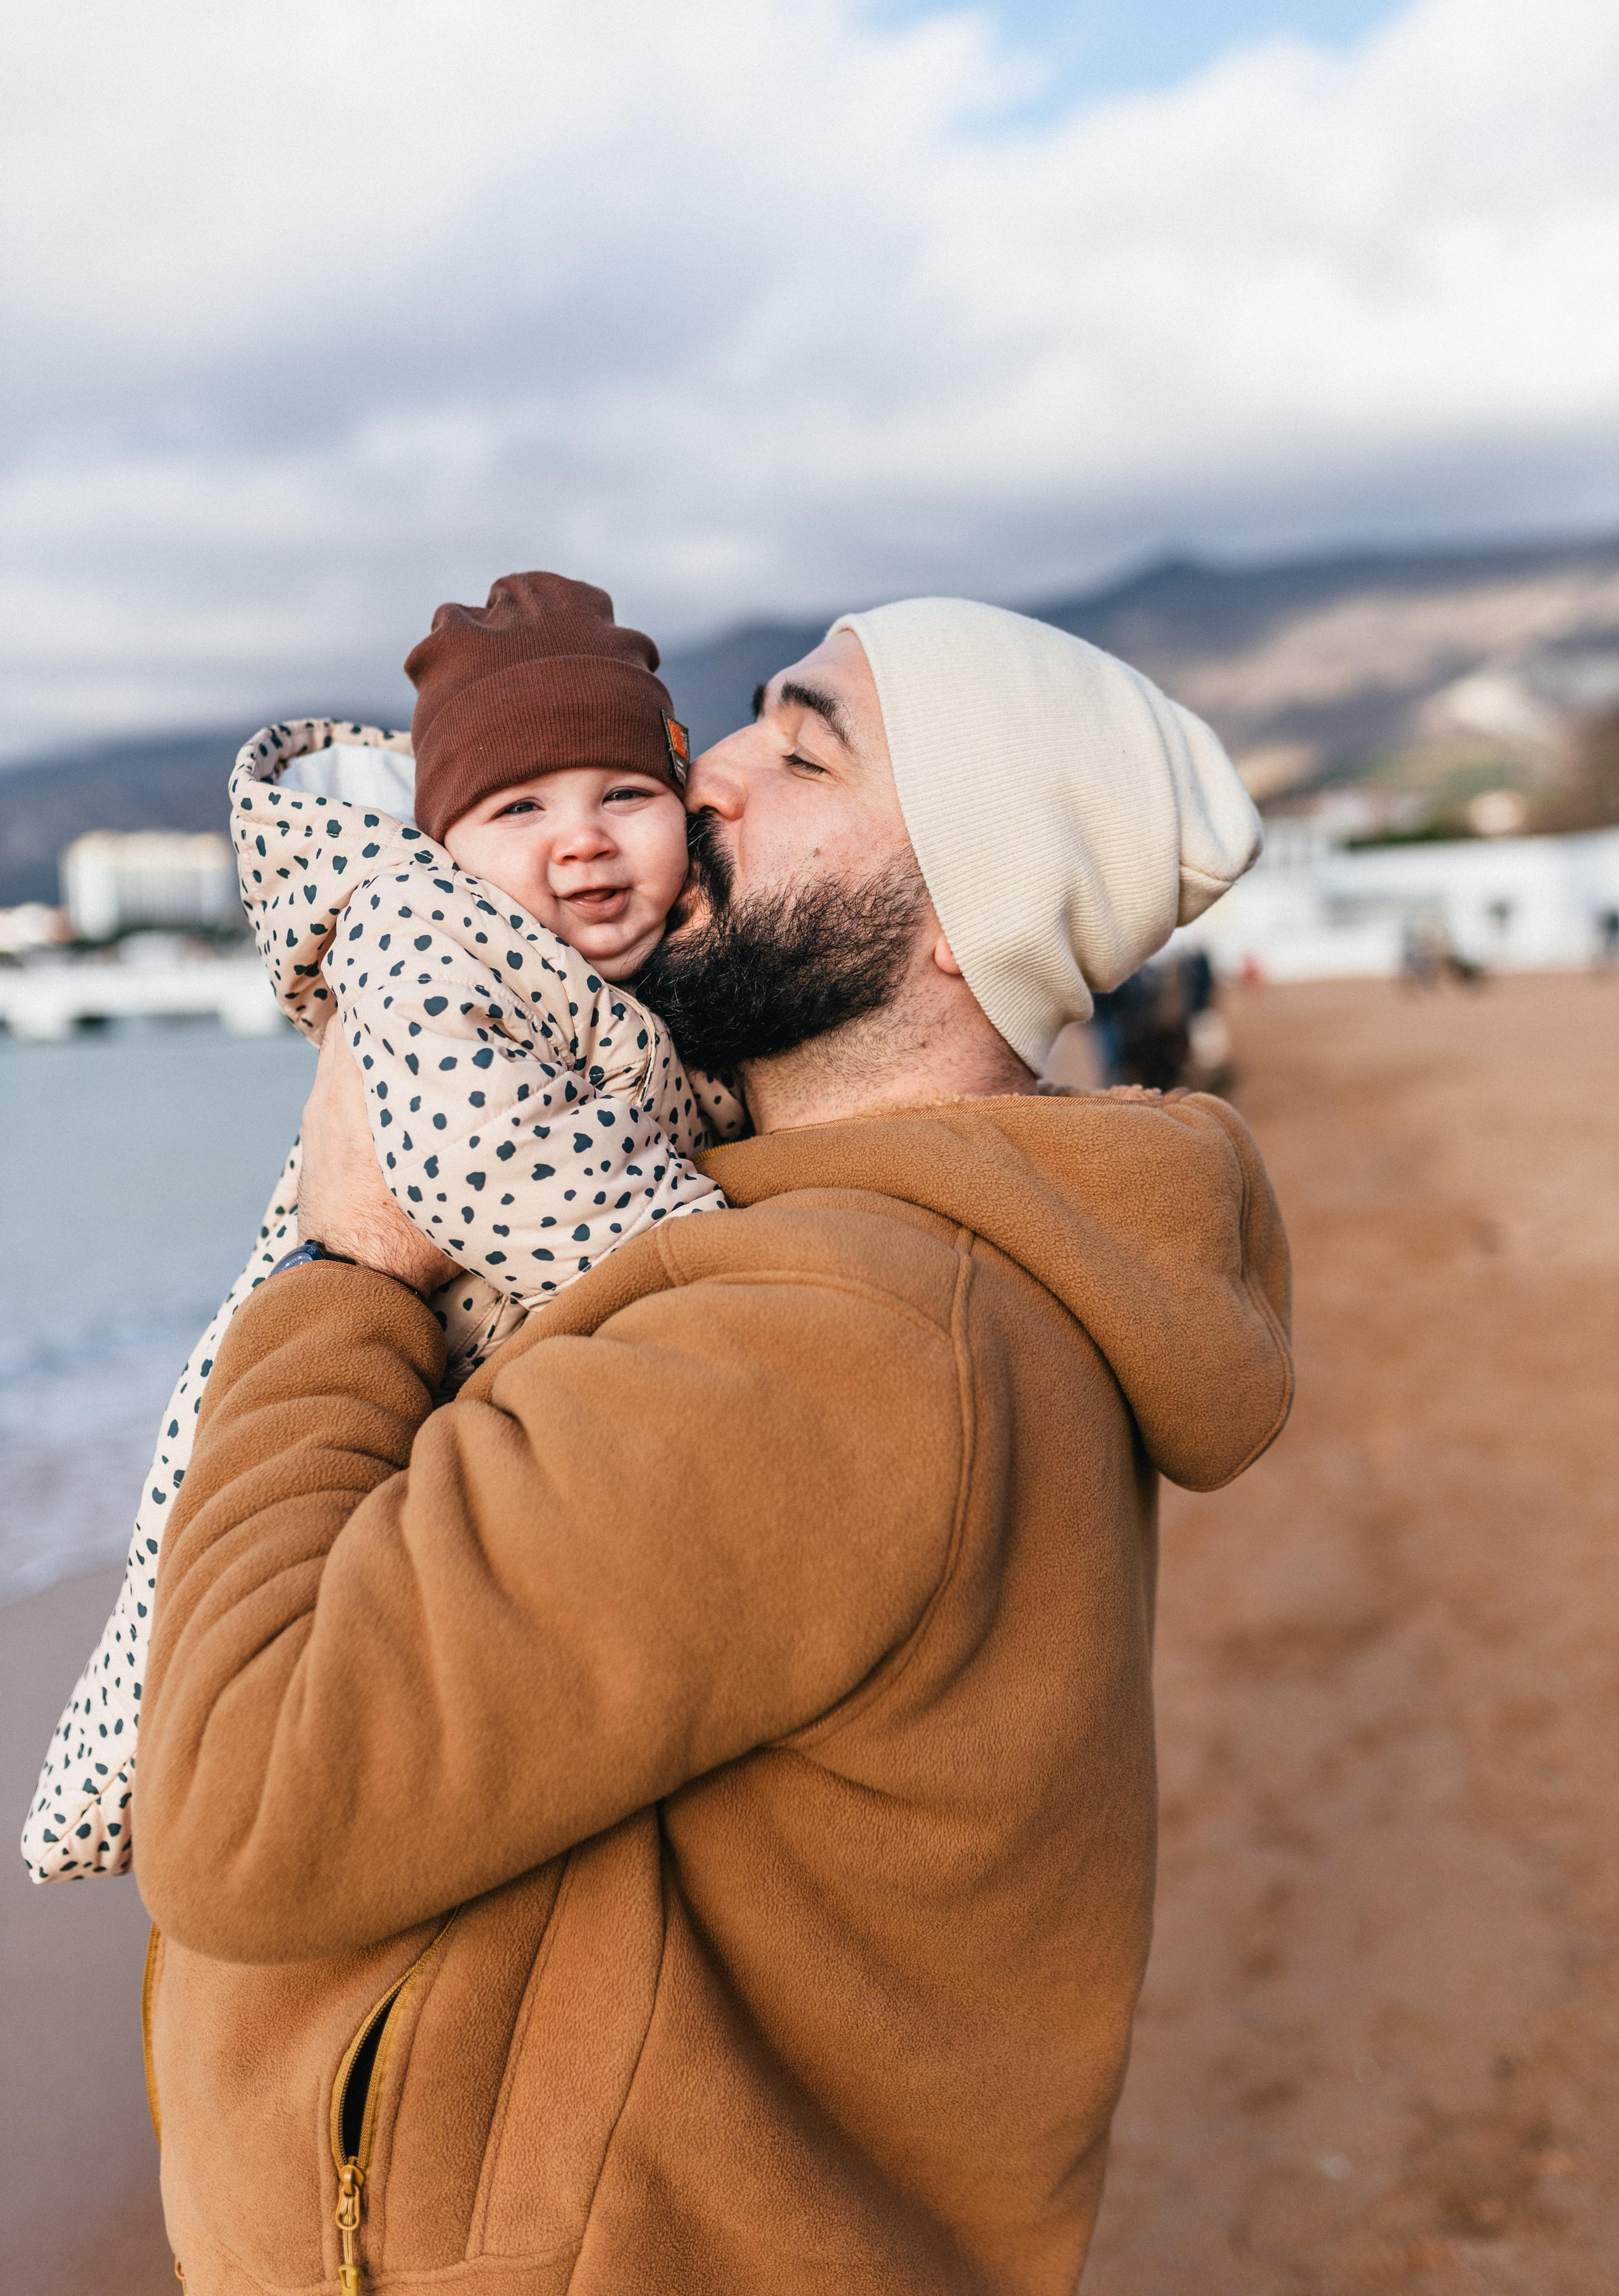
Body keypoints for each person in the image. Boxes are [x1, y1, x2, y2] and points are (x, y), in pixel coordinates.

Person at [134, 595, 1293, 2295]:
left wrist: (346, 1265)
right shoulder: (846, 1255)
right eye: (743, 723)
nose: (709, 774)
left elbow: (248, 1804)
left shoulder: (837, 1333)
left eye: (806, 746)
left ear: (970, 920)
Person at [25, 572, 741, 1882]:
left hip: (455, 1352)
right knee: (188, 1599)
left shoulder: (622, 969)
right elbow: (491, 1165)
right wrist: (716, 1245)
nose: (580, 840)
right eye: (518, 808)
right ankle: (93, 1811)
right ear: (444, 841)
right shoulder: (423, 935)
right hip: (340, 1323)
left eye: (623, 797)